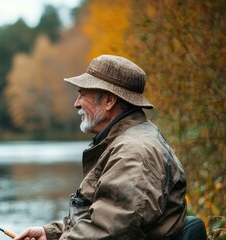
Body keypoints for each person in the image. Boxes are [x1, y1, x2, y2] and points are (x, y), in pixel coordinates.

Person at [14, 55, 187, 240]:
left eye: (82, 94)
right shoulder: (128, 140)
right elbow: (104, 217)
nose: (76, 103)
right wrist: (52, 234)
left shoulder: (132, 154)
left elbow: (110, 231)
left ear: (109, 101)